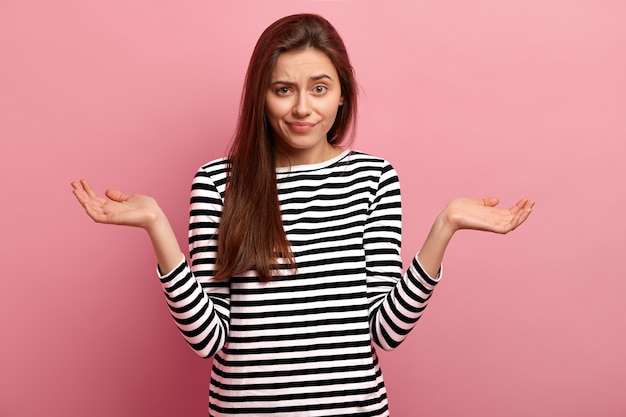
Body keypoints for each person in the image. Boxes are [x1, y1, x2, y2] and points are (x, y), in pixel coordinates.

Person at [71, 13, 533, 417]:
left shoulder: (374, 178)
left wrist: (445, 226)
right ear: (261, 96)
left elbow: (385, 330)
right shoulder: (217, 183)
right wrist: (156, 226)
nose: (302, 108)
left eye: (319, 88)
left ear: (342, 97)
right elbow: (207, 339)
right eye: (283, 89)